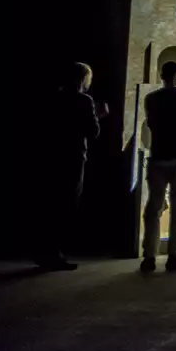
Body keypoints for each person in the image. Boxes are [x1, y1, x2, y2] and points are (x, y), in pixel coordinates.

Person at [37, 62, 107, 271]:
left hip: (51, 156)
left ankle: (44, 252)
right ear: (83, 79)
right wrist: (99, 115)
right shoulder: (84, 100)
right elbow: (92, 131)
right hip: (73, 157)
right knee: (66, 204)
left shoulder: (55, 97)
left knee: (49, 204)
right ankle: (55, 255)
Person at [140, 61, 176, 273]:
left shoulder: (152, 98)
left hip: (158, 155)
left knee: (153, 208)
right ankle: (174, 255)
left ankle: (149, 256)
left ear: (160, 74)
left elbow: (152, 124)